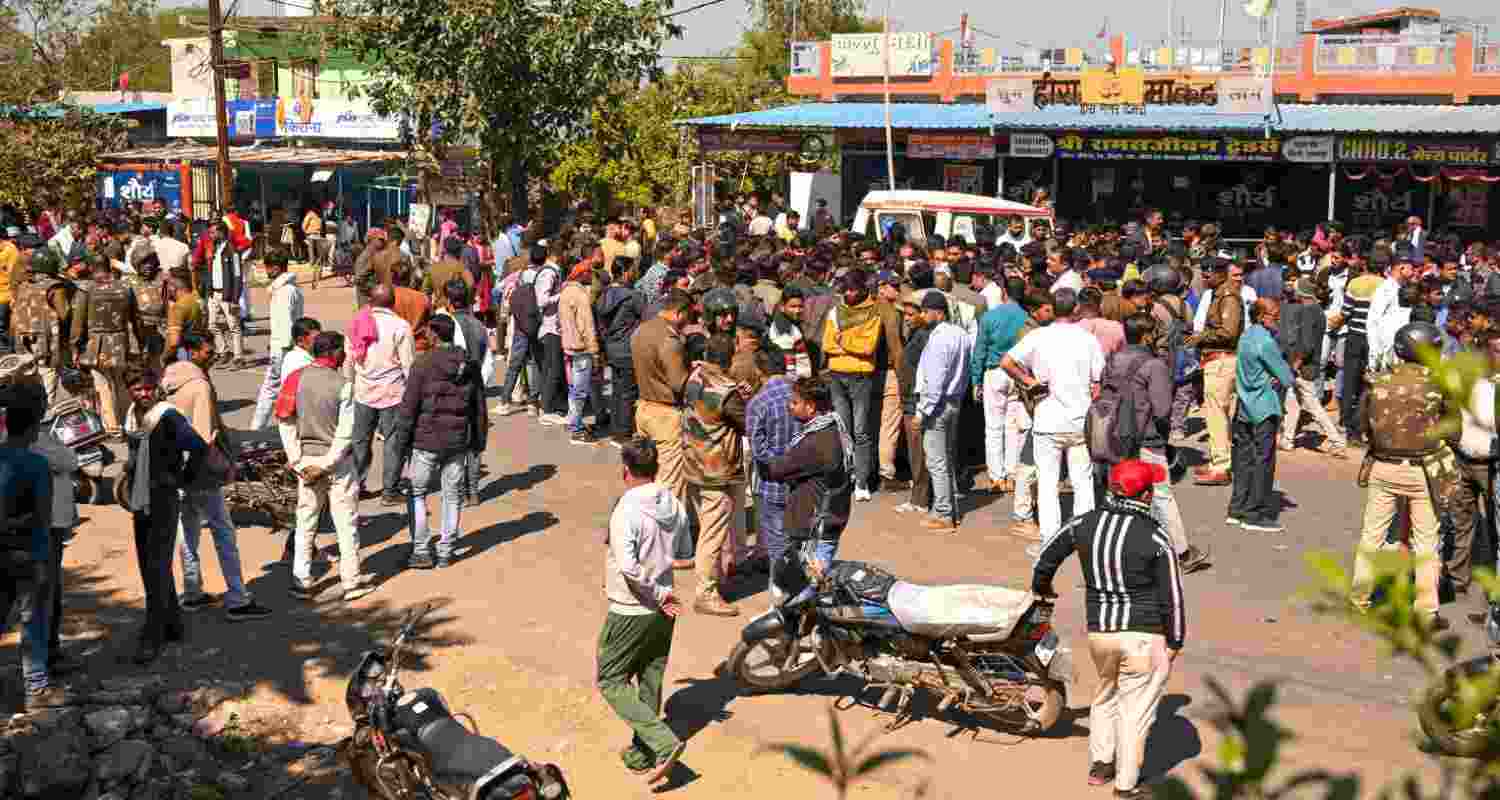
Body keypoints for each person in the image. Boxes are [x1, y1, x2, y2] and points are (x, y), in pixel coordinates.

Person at [1031, 459, 1185, 800]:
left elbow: (1046, 558)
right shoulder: (1156, 536)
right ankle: (1126, 786)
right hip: (1144, 636)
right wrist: (1175, 640)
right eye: (1151, 490)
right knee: (1136, 712)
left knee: (1106, 693)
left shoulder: (1084, 523)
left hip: (1101, 633)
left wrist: (1042, 589)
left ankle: (1101, 765)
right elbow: (1172, 597)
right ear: (1144, 496)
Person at [597, 437, 689, 784]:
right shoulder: (674, 504)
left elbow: (630, 568)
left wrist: (658, 592)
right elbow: (681, 551)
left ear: (625, 471)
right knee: (650, 677)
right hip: (663, 610)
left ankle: (663, 743)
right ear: (656, 468)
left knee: (611, 680)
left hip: (632, 608)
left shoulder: (626, 511)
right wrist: (665, 591)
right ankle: (642, 752)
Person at [1350, 322, 1451, 629]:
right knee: (1426, 542)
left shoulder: (1378, 382)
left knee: (1372, 537)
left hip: (1382, 467)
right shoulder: (1440, 384)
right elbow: (1454, 429)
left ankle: (1359, 600)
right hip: (1424, 471)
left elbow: (1360, 426)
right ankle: (1426, 611)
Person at [166, 334, 272, 621]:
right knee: (223, 531)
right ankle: (237, 598)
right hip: (199, 470)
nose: (212, 355)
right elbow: (202, 434)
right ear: (192, 351)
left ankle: (192, 592)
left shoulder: (171, 377)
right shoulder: (199, 385)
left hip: (177, 466)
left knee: (187, 531)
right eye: (207, 351)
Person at [276, 332, 373, 602]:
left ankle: (301, 581)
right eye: (342, 350)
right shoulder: (344, 386)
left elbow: (285, 423)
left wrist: (297, 461)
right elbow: (345, 433)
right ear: (332, 353)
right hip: (338, 465)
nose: (345, 355)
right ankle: (351, 583)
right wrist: (328, 464)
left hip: (306, 462)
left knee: (305, 522)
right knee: (346, 524)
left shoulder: (295, 379)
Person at [1002, 288, 1105, 543]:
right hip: (1080, 420)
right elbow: (1098, 379)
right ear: (1076, 310)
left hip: (1047, 420)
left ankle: (1050, 538)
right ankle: (1085, 536)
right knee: (1083, 480)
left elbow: (1006, 362)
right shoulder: (1087, 339)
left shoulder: (1038, 336)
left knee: (1048, 483)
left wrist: (1028, 381)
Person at [121, 366, 207, 664]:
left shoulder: (167, 416)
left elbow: (198, 446)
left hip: (163, 499)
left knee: (155, 566)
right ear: (129, 391)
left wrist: (182, 478)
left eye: (147, 388)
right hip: (140, 500)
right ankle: (172, 624)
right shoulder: (132, 416)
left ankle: (153, 634)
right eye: (136, 389)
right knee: (151, 564)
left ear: (156, 387)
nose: (143, 393)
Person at [394, 315, 483, 569]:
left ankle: (421, 551)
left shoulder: (422, 364)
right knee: (451, 495)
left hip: (425, 440)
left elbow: (408, 407)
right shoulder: (468, 364)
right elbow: (478, 408)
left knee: (417, 493)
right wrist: (477, 440)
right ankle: (446, 551)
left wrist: (401, 443)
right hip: (457, 440)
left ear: (434, 335)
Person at [0, 397, 65, 708]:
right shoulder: (36, 464)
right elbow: (42, 517)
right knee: (33, 621)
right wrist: (42, 561)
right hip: (27, 553)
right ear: (31, 430)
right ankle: (36, 688)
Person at [681, 333, 748, 617]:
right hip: (716, 471)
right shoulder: (727, 391)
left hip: (693, 463)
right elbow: (746, 422)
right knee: (712, 533)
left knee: (707, 531)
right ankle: (706, 593)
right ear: (730, 358)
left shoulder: (694, 376)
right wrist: (747, 397)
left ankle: (713, 580)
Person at [765, 375, 854, 571]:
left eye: (795, 402)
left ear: (811, 407)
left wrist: (760, 462)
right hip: (830, 519)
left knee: (802, 590)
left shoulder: (815, 442)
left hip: (814, 528)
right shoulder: (834, 427)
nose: (790, 406)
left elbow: (778, 469)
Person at [820, 271, 889, 502]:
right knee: (843, 430)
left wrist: (842, 340)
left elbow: (869, 347)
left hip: (861, 376)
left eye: (853, 289)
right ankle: (843, 478)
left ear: (861, 289)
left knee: (861, 432)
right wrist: (851, 343)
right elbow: (828, 344)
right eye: (845, 289)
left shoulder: (873, 312)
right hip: (837, 375)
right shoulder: (835, 311)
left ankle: (861, 482)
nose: (849, 294)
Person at [1227, 299, 1295, 533]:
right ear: (1260, 316)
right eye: (1273, 314)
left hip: (1244, 406)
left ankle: (1237, 508)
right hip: (1264, 407)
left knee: (1243, 459)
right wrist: (1277, 376)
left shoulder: (1246, 337)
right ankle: (1253, 513)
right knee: (1263, 461)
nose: (1276, 317)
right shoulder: (1266, 342)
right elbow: (1286, 377)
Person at [352, 284, 416, 506]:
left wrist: (350, 385)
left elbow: (350, 357)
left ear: (371, 300)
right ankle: (390, 491)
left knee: (360, 440)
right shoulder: (400, 326)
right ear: (392, 302)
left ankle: (356, 486)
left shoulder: (359, 320)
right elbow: (409, 365)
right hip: (393, 392)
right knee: (393, 442)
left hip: (363, 391)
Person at [631, 288, 693, 506]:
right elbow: (679, 382)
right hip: (665, 416)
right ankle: (665, 536)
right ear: (679, 312)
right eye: (688, 316)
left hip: (643, 409)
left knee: (643, 479)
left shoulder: (641, 330)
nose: (687, 322)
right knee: (670, 486)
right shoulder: (670, 339)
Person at [914, 291, 969, 532]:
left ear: (939, 312)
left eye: (925, 311)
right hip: (954, 402)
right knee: (945, 458)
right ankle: (945, 509)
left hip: (937, 405)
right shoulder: (961, 335)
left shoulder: (939, 339)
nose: (922, 315)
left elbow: (935, 382)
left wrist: (922, 412)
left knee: (936, 461)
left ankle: (944, 514)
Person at [1187, 259, 1244, 485]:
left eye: (1207, 274)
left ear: (1220, 274)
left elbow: (1228, 332)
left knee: (1217, 416)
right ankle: (1218, 461)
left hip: (1222, 361)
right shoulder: (1218, 295)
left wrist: (1200, 337)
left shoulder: (1228, 297)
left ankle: (1221, 467)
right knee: (1215, 416)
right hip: (1216, 360)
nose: (1203, 278)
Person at [747, 349, 798, 596]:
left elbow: (758, 450)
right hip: (804, 483)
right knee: (800, 544)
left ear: (759, 371)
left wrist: (779, 465)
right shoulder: (802, 394)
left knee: (778, 548)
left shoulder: (759, 402)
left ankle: (781, 604)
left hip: (774, 485)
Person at [1279, 277, 1347, 458]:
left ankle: (1337, 441)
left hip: (1304, 366)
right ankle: (1287, 439)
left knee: (1312, 405)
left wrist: (1295, 365)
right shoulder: (1316, 310)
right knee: (1292, 402)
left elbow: (1307, 345)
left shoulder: (1309, 312)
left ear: (1301, 292)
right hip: (1308, 365)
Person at [72, 258, 139, 439]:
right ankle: (129, 423)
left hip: (96, 344)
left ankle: (112, 427)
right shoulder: (125, 288)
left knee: (102, 385)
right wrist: (140, 342)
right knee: (121, 383)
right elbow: (135, 319)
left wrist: (75, 347)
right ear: (109, 267)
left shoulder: (86, 289)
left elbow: (77, 324)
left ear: (92, 268)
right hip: (120, 341)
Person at [597, 255, 646, 446]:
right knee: (628, 392)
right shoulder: (633, 296)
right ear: (625, 273)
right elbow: (647, 317)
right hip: (627, 349)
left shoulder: (604, 294)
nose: (635, 273)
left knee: (618, 390)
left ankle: (617, 430)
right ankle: (624, 433)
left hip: (611, 348)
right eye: (633, 270)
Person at [251, 250, 303, 430]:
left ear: (275, 268)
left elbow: (285, 322)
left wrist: (283, 347)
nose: (265, 271)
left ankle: (258, 427)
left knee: (271, 388)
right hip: (285, 345)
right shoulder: (288, 289)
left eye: (267, 267)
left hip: (283, 347)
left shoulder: (284, 291)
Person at [560, 260, 602, 444]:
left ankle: (573, 421)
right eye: (589, 273)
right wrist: (595, 351)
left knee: (573, 389)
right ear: (582, 274)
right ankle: (576, 429)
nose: (591, 276)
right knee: (580, 391)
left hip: (568, 346)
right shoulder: (581, 296)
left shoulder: (565, 292)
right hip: (581, 348)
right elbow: (587, 327)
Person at [202, 222, 248, 368]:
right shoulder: (213, 249)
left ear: (221, 232)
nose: (210, 235)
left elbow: (237, 275)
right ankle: (224, 352)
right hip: (213, 293)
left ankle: (238, 357)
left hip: (227, 295)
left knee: (233, 326)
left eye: (213, 232)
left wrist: (235, 299)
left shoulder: (232, 250)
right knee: (212, 325)